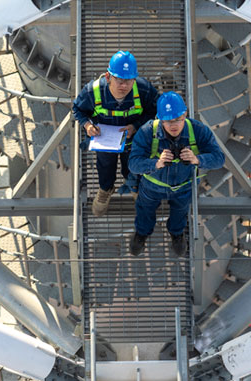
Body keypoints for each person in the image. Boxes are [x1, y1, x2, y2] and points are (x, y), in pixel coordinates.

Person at [128, 91, 225, 257]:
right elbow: (133, 164)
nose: (174, 125)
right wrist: (156, 163)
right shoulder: (147, 132)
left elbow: (219, 159)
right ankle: (142, 233)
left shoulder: (198, 131)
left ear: (185, 114)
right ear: (160, 118)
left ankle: (176, 233)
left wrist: (197, 159)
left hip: (182, 186)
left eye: (178, 119)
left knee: (180, 212)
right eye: (168, 121)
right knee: (145, 210)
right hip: (152, 186)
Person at [72, 51, 159, 216]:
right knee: (105, 167)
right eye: (119, 80)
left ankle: (134, 187)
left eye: (129, 81)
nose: (124, 86)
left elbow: (155, 111)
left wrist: (136, 125)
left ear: (135, 79)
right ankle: (106, 189)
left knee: (132, 166)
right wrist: (88, 125)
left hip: (133, 140)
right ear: (108, 77)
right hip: (105, 141)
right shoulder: (93, 91)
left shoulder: (143, 89)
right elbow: (77, 109)